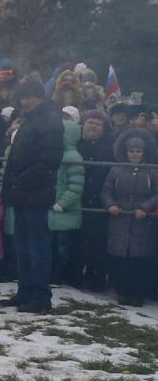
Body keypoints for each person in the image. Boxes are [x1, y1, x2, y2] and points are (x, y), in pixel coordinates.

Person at [0, 79, 65, 313]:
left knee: (38, 246)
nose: (25, 101)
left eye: (30, 97)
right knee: (23, 245)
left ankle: (40, 296)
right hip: (22, 192)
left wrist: (22, 180)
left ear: (40, 97)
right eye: (23, 97)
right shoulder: (29, 120)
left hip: (35, 192)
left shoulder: (50, 121)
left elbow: (48, 161)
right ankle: (25, 291)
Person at [101, 129, 158, 307]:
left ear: (144, 153)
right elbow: (106, 191)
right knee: (121, 260)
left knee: (139, 261)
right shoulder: (116, 170)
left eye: (138, 151)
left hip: (142, 221)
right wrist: (110, 204)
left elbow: (156, 194)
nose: (134, 154)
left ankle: (137, 293)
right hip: (120, 219)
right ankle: (122, 291)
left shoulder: (152, 171)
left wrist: (145, 207)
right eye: (131, 151)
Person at [71, 111, 115, 291]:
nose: (93, 126)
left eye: (98, 124)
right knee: (76, 239)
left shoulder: (110, 148)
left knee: (97, 240)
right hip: (77, 197)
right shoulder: (76, 145)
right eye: (90, 122)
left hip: (99, 198)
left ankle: (96, 276)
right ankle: (74, 275)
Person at [48, 119, 85, 284]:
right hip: (53, 209)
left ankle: (59, 276)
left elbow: (76, 185)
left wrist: (63, 203)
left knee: (62, 248)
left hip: (64, 210)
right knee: (52, 246)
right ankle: (52, 275)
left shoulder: (72, 156)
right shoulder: (57, 154)